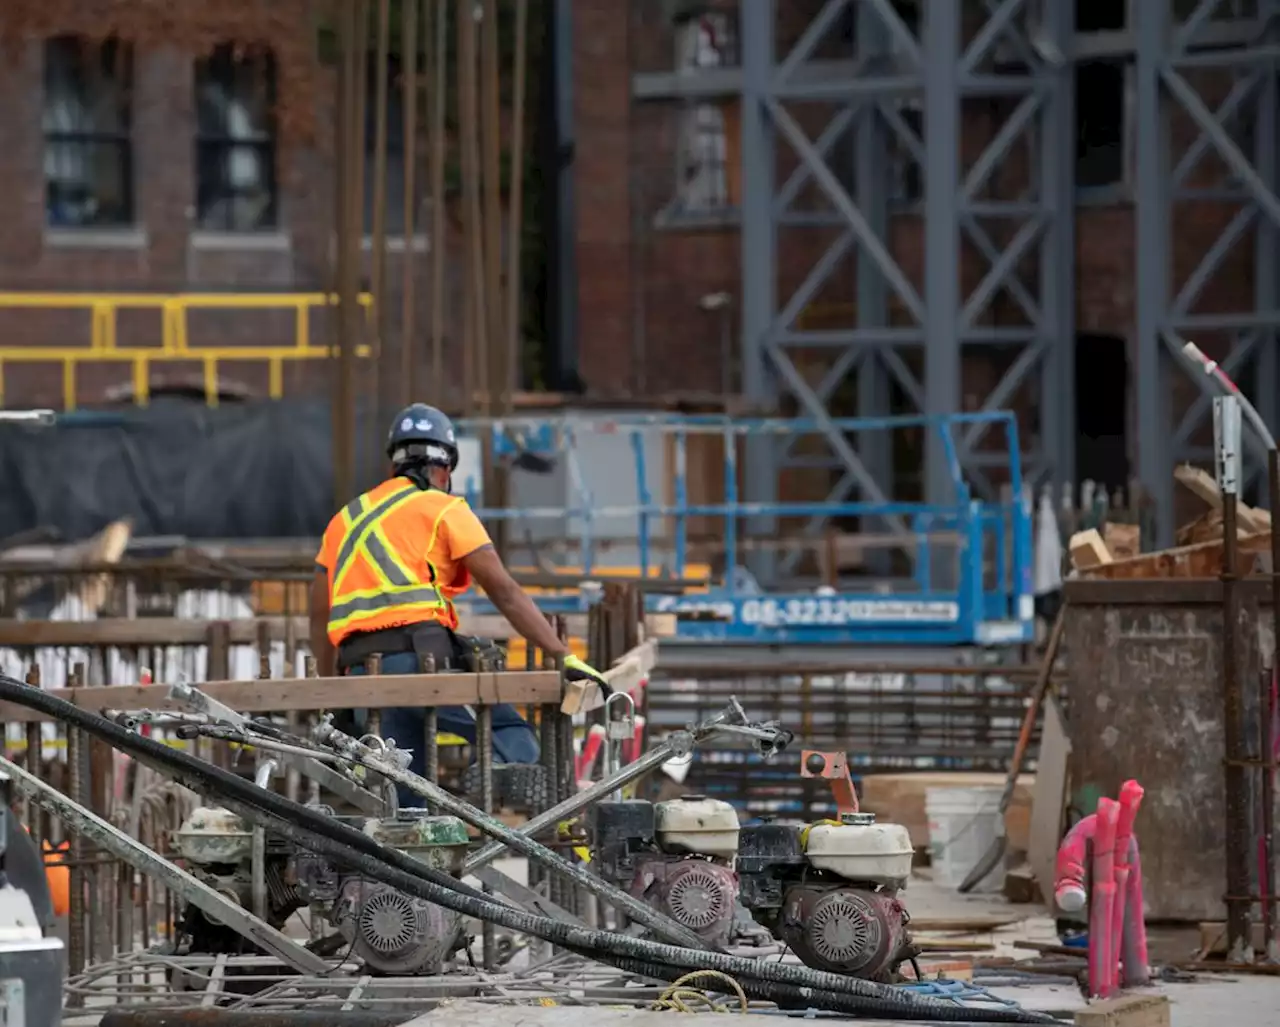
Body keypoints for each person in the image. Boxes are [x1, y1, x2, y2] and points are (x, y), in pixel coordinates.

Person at [309, 402, 609, 803]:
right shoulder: (444, 508)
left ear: (393, 466)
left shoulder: (344, 520)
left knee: (407, 807)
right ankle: (498, 782)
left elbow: (318, 614)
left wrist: (332, 694)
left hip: (363, 677)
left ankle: (422, 860)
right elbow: (503, 590)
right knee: (508, 733)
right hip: (423, 666)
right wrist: (561, 654)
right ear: (444, 469)